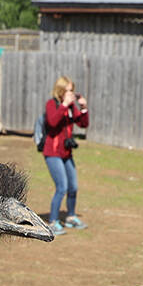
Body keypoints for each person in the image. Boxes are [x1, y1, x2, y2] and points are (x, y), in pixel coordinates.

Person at [42, 75, 89, 236]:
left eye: (72, 91)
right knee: (62, 187)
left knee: (73, 187)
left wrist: (83, 108)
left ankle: (71, 217)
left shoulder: (70, 107)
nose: (71, 94)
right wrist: (64, 105)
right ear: (61, 91)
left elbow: (83, 124)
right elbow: (53, 122)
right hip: (52, 152)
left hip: (67, 153)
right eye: (69, 91)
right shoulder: (52, 104)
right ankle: (53, 222)